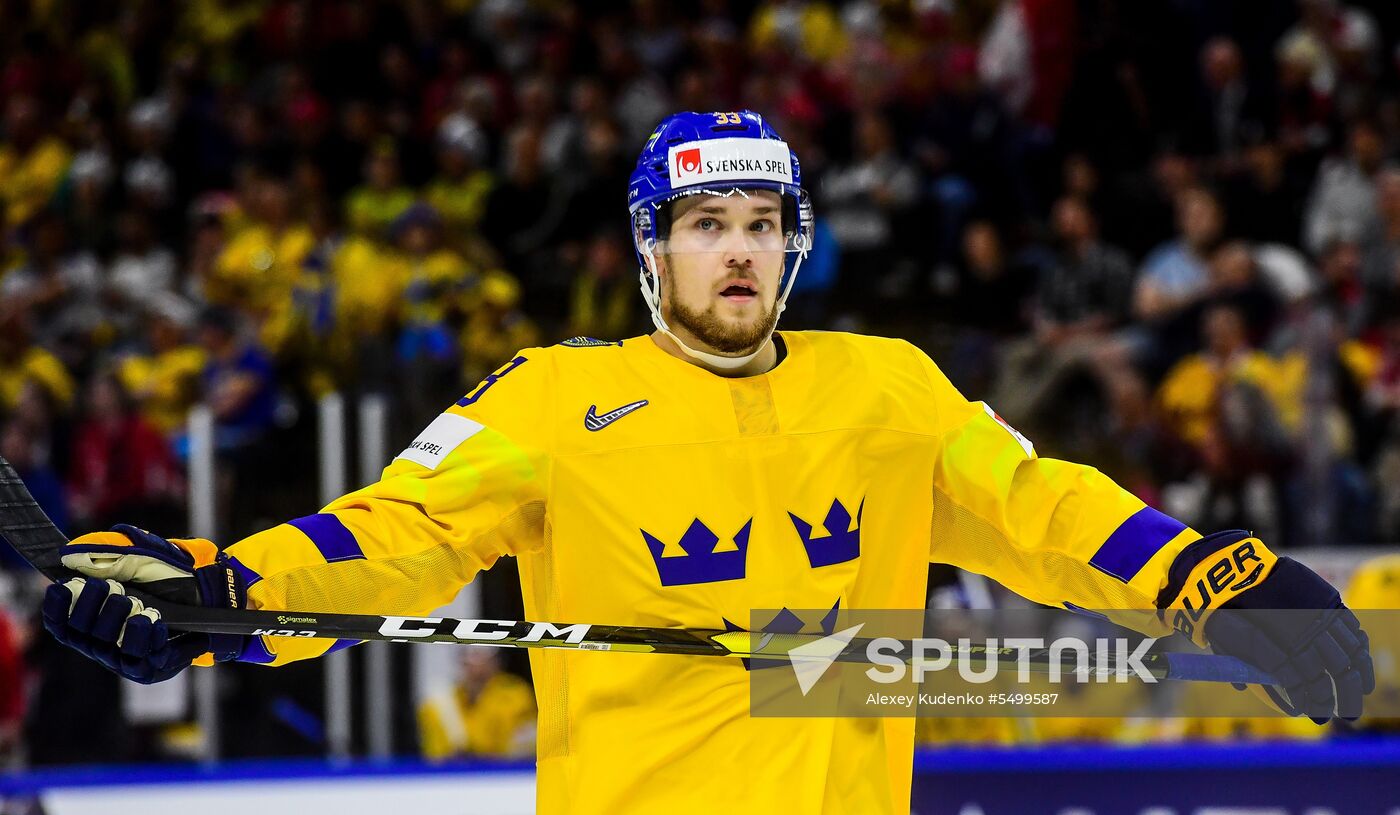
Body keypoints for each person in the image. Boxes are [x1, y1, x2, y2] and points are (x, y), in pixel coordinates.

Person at [41, 112, 1372, 815]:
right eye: (703, 225)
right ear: (649, 248)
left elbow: (1040, 508)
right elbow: (396, 536)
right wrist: (222, 590)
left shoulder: (884, 384)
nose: (736, 251)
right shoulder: (560, 394)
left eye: (761, 224)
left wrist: (1207, 577)